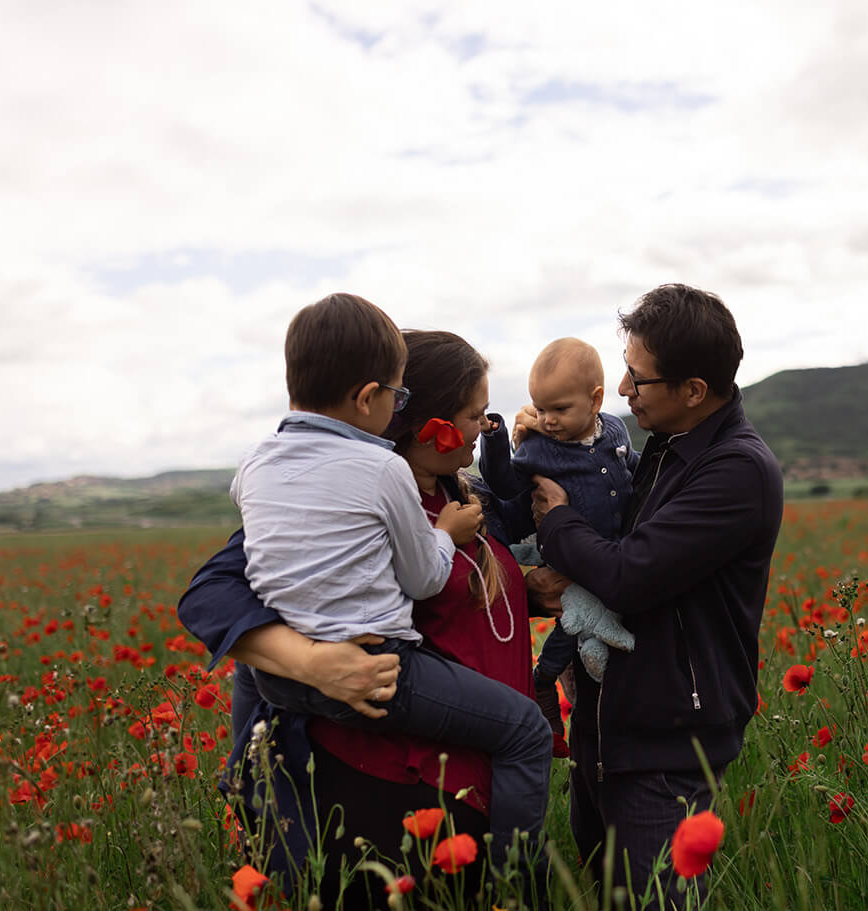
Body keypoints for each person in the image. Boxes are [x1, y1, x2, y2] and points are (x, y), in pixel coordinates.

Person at [178, 328, 552, 909]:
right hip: (392, 784)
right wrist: (310, 661)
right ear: (415, 417)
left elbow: (452, 587)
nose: (484, 431)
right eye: (474, 416)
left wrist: (528, 592)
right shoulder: (344, 499)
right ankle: (248, 787)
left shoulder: (460, 492)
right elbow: (213, 591)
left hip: (479, 775)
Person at [527, 284, 784, 907]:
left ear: (693, 390)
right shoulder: (664, 449)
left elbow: (629, 574)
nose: (620, 391)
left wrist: (556, 519)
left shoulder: (735, 470)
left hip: (666, 741)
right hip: (610, 724)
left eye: (637, 380)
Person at [231, 293, 480, 729]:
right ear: (367, 398)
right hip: (372, 663)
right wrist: (444, 534)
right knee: (525, 731)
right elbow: (423, 580)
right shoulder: (384, 469)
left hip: (278, 673)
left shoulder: (254, 461)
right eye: (397, 396)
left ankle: (252, 795)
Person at [476, 338, 640, 752]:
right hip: (571, 560)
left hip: (613, 555)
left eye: (559, 410)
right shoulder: (538, 448)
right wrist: (495, 442)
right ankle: (544, 681)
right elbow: (504, 484)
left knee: (599, 622)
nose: (547, 419)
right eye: (540, 408)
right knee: (573, 623)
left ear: (596, 399)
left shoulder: (615, 429)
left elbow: (631, 467)